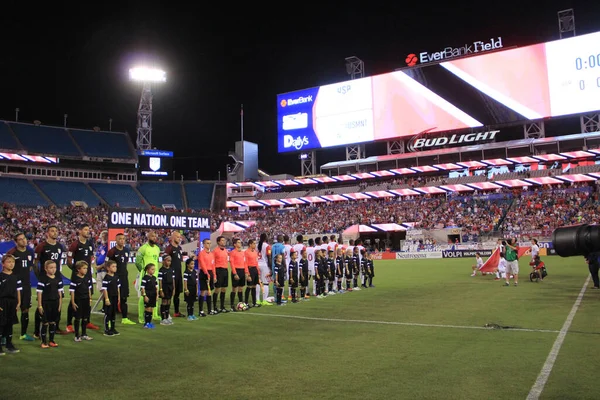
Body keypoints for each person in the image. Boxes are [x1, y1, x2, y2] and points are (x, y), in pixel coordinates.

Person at [34, 225, 67, 336]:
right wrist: (40, 277)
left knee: (58, 301)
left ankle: (55, 326)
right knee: (42, 304)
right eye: (52, 231)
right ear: (47, 233)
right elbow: (35, 263)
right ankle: (37, 331)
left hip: (57, 278)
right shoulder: (41, 246)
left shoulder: (60, 246)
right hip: (45, 278)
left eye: (56, 231)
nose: (55, 233)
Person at [7, 233, 35, 341]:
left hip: (26, 286)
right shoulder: (12, 253)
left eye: (24, 238)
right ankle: (5, 335)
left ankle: (23, 334)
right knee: (10, 310)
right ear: (16, 242)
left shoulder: (30, 252)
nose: (23, 241)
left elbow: (30, 267)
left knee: (25, 309)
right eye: (20, 239)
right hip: (14, 286)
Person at [66, 224, 95, 333]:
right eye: (85, 229)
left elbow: (91, 257)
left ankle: (87, 321)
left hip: (87, 276)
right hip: (77, 276)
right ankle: (69, 323)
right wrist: (75, 270)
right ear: (80, 231)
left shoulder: (90, 244)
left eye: (88, 229)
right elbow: (68, 260)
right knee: (74, 300)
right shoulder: (75, 244)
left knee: (88, 298)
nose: (88, 231)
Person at [107, 233, 135, 325]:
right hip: (114, 278)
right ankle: (110, 319)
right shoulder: (112, 251)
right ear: (116, 240)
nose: (122, 240)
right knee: (113, 298)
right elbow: (107, 264)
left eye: (123, 239)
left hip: (124, 277)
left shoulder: (126, 250)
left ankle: (125, 318)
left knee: (124, 297)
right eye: (120, 239)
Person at [135, 231, 161, 323]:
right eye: (152, 236)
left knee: (154, 294)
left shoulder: (157, 249)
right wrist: (142, 271)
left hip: (155, 275)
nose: (154, 238)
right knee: (143, 296)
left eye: (155, 236)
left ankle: (155, 315)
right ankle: (141, 317)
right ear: (148, 237)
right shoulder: (143, 248)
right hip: (145, 275)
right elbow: (137, 261)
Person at [37, 260, 62, 349]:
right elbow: (39, 293)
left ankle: (51, 340)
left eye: (55, 267)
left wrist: (60, 304)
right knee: (45, 323)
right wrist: (40, 305)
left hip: (55, 303)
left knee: (53, 322)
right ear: (46, 268)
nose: (53, 269)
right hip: (46, 303)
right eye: (51, 268)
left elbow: (60, 293)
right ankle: (43, 342)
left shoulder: (58, 279)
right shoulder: (43, 279)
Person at [0, 254, 22, 355]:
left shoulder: (16, 276)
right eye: (9, 262)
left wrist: (19, 302)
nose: (11, 264)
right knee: (1, 324)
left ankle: (9, 344)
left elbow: (18, 290)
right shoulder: (1, 276)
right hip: (2, 302)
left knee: (9, 324)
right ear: (3, 264)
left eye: (12, 262)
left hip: (12, 303)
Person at [69, 261, 93, 342]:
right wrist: (73, 302)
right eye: (84, 268)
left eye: (86, 268)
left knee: (85, 318)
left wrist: (90, 299)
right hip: (78, 300)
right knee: (78, 318)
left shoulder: (87, 278)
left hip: (86, 300)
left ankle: (84, 334)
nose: (86, 270)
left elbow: (89, 289)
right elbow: (72, 291)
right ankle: (77, 335)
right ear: (78, 269)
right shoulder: (75, 279)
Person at [164, 231, 185, 318]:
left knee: (177, 294)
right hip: (171, 275)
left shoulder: (179, 248)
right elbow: (165, 260)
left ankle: (176, 312)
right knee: (169, 295)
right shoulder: (169, 248)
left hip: (178, 274)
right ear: (172, 237)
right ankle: (166, 312)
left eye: (180, 237)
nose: (179, 239)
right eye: (177, 237)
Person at [101, 260, 121, 336]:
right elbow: (104, 289)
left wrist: (118, 297)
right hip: (109, 297)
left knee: (113, 313)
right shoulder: (106, 277)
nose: (115, 268)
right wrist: (106, 299)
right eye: (113, 266)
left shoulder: (116, 277)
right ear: (108, 268)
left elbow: (118, 287)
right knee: (108, 313)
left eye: (115, 266)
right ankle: (106, 329)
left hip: (115, 297)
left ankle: (112, 328)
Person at [229, 238, 250, 311]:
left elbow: (245, 263)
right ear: (235, 244)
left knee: (241, 289)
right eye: (238, 242)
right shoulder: (232, 252)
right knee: (234, 289)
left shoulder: (242, 253)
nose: (240, 243)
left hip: (242, 271)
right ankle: (232, 305)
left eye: (240, 242)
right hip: (236, 271)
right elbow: (232, 264)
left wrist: (246, 272)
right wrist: (235, 273)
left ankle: (241, 304)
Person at [198, 238, 216, 316]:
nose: (209, 245)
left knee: (209, 292)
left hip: (210, 272)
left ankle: (209, 310)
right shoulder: (201, 253)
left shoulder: (211, 254)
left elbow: (213, 265)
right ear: (204, 244)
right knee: (203, 291)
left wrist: (214, 275)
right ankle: (201, 311)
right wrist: (206, 274)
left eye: (210, 243)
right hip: (204, 273)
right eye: (207, 243)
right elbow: (202, 264)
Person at [213, 236, 230, 313]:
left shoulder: (226, 251)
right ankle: (214, 306)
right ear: (218, 242)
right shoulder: (215, 251)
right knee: (217, 289)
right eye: (222, 240)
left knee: (224, 289)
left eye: (224, 240)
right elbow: (212, 263)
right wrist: (214, 275)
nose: (224, 242)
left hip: (225, 270)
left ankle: (222, 306)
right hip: (218, 270)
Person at [158, 255, 176, 325]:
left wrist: (174, 288)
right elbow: (160, 281)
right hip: (164, 287)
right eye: (168, 261)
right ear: (164, 261)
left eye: (170, 261)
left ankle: (167, 316)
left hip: (170, 287)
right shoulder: (161, 270)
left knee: (169, 301)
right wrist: (161, 290)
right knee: (164, 301)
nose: (169, 262)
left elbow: (173, 279)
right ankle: (163, 318)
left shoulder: (172, 270)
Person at [140, 264, 158, 329]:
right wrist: (145, 296)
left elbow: (156, 287)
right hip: (148, 295)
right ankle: (146, 323)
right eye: (152, 269)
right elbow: (142, 288)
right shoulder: (145, 278)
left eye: (154, 269)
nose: (153, 270)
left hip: (153, 295)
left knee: (151, 309)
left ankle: (149, 322)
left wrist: (157, 295)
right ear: (147, 270)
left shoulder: (154, 278)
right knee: (147, 308)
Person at [244, 239, 261, 308]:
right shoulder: (246, 252)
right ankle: (246, 302)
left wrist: (258, 272)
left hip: (255, 270)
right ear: (250, 244)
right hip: (250, 269)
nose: (255, 245)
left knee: (254, 286)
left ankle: (254, 302)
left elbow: (256, 262)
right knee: (249, 286)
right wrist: (247, 274)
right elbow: (245, 263)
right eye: (254, 243)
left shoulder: (255, 252)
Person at [257, 234, 272, 306]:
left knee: (258, 283)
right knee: (266, 283)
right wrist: (271, 268)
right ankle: (264, 300)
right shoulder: (267, 246)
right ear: (266, 238)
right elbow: (269, 258)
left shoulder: (257, 245)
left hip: (257, 264)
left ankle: (257, 300)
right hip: (264, 265)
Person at [270, 235, 285, 302]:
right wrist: (284, 266)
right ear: (281, 239)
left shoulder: (272, 246)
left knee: (275, 280)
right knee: (280, 280)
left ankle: (276, 297)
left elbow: (270, 256)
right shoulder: (282, 246)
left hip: (274, 265)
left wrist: (271, 266)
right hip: (280, 265)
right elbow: (283, 256)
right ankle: (279, 298)